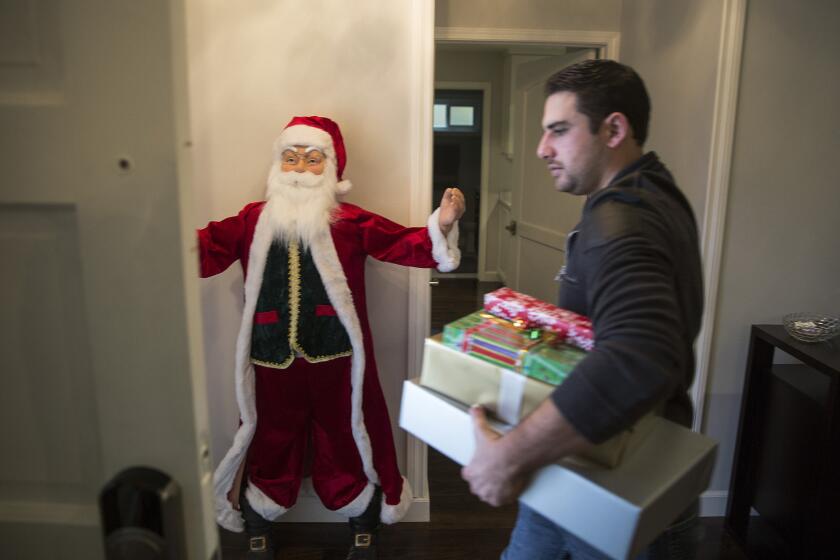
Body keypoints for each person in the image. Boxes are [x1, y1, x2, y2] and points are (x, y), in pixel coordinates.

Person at [461, 60, 704, 559]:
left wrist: (507, 457)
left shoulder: (621, 220)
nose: (541, 149)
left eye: (559, 131)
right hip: (586, 465)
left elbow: (640, 356)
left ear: (614, 128)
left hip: (616, 485)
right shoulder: (655, 189)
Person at [199, 115, 465, 559]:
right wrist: (159, 240)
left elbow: (404, 243)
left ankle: (361, 517)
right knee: (271, 437)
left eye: (311, 158)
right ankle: (259, 518)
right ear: (277, 165)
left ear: (331, 167)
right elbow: (206, 248)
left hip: (337, 356)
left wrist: (442, 224)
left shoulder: (349, 222)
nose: (300, 167)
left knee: (344, 434)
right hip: (270, 357)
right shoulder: (252, 221)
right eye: (291, 158)